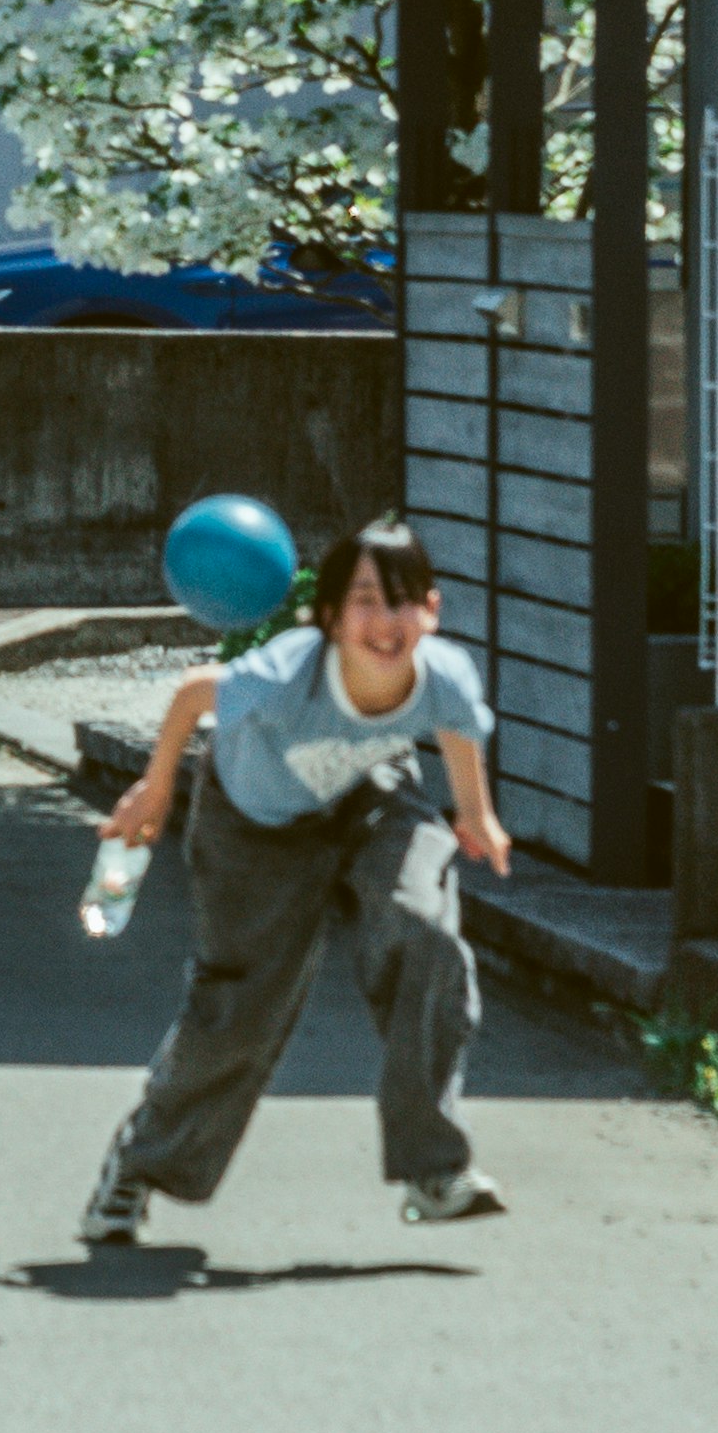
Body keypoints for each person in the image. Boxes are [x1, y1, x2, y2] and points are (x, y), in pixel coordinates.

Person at [79, 509, 512, 1249]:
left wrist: (478, 817)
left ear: (432, 610)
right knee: (240, 1007)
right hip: (255, 825)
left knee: (427, 938)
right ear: (331, 619)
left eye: (403, 600)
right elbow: (192, 693)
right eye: (366, 603)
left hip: (370, 796)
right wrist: (156, 791)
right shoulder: (284, 675)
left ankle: (433, 1170)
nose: (386, 623)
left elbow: (458, 731)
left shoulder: (442, 673)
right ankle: (137, 1167)